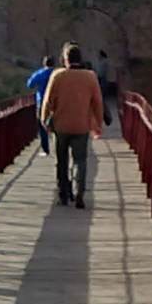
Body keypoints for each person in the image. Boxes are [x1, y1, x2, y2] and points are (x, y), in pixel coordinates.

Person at [40, 41, 105, 209]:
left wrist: (44, 119)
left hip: (61, 126)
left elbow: (47, 101)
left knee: (61, 161)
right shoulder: (90, 76)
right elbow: (97, 102)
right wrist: (98, 123)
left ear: (65, 59)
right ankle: (79, 193)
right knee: (80, 160)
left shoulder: (57, 75)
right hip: (81, 125)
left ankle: (63, 193)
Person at [26, 55, 55, 155]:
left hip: (42, 102)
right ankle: (60, 147)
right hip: (56, 102)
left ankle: (45, 149)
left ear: (44, 63)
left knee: (42, 125)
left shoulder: (40, 73)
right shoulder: (57, 73)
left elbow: (30, 84)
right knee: (58, 125)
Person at [97, 48, 121, 131]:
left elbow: (101, 72)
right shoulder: (105, 62)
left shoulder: (104, 62)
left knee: (101, 97)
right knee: (102, 96)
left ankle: (105, 114)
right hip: (105, 79)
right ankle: (105, 115)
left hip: (102, 79)